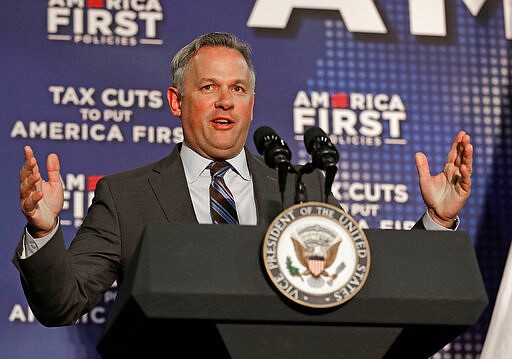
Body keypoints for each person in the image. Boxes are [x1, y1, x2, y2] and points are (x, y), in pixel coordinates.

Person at [14, 32, 473, 327]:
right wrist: (43, 230)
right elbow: (62, 304)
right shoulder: (126, 197)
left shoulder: (300, 186)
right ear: (177, 102)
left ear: (252, 103)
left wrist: (434, 220)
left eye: (237, 89)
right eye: (209, 87)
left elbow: (359, 279)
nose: (225, 102)